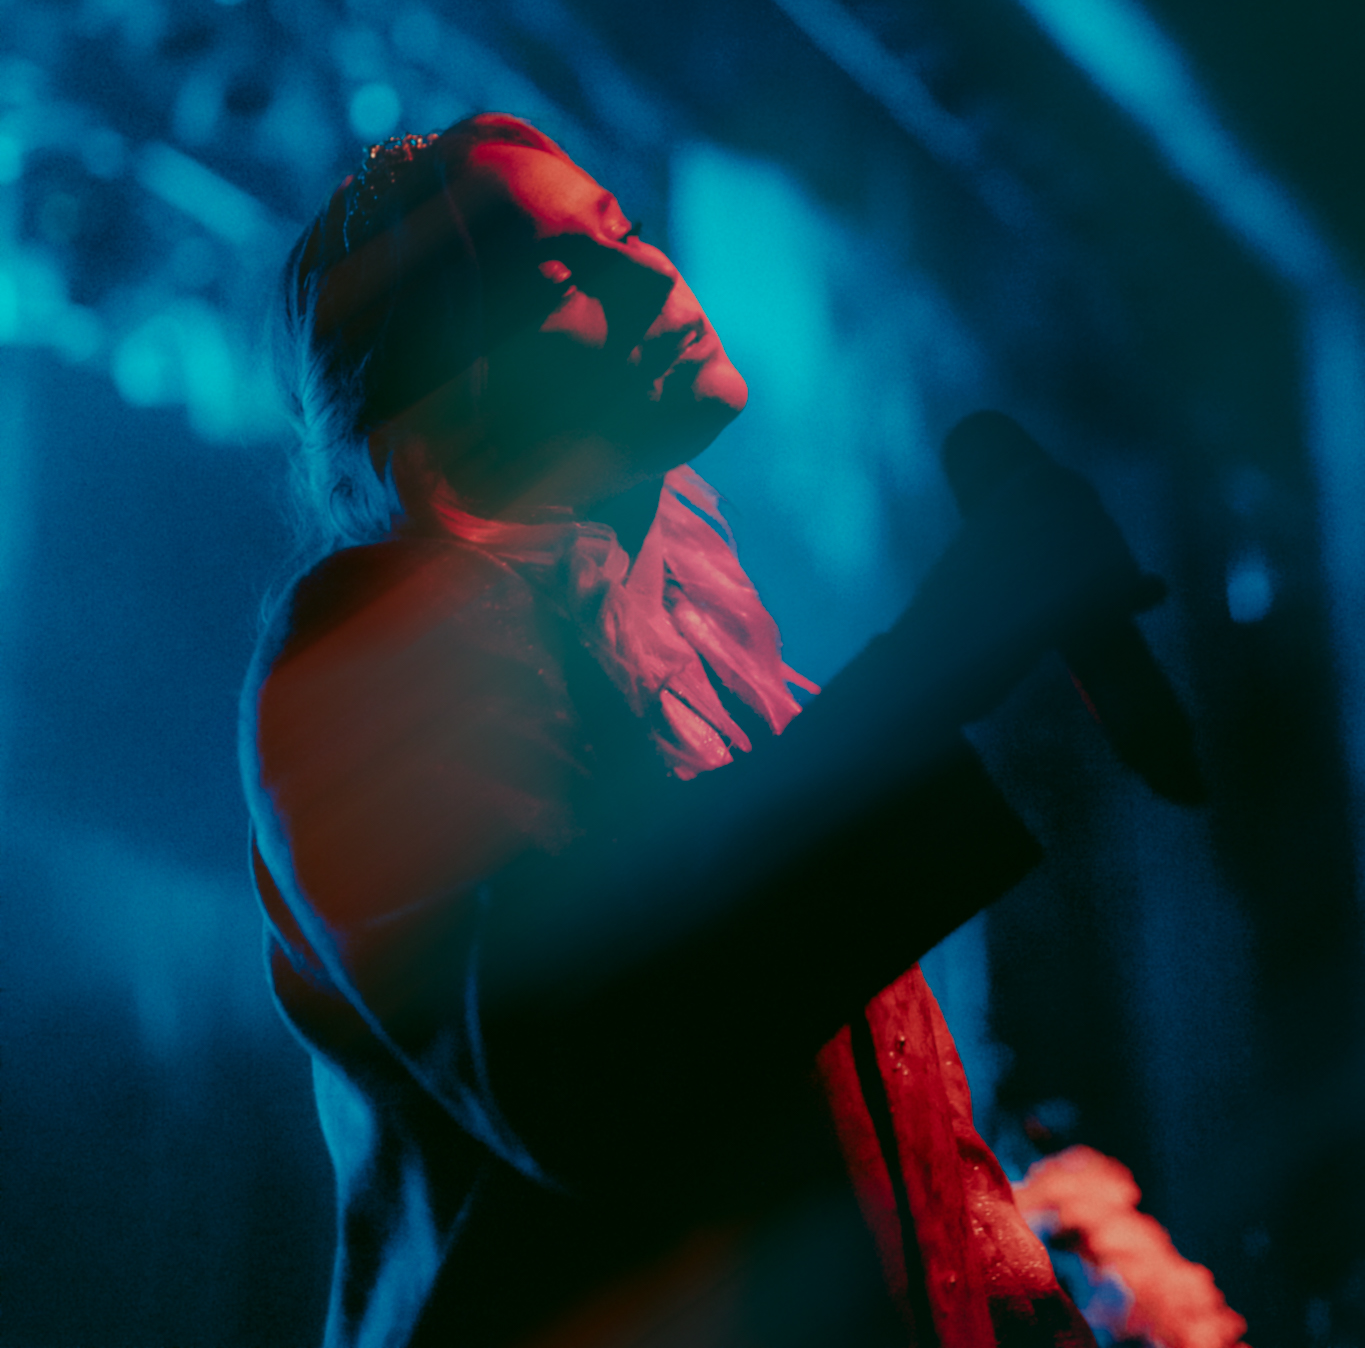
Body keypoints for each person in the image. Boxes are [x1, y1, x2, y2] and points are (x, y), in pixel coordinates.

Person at [241, 112, 1152, 1348]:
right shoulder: (364, 644)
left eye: (621, 229)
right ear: (434, 399)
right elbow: (576, 1066)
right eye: (556, 275)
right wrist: (944, 656)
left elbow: (918, 1175)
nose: (647, 275)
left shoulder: (729, 667)